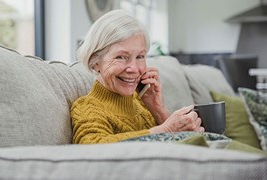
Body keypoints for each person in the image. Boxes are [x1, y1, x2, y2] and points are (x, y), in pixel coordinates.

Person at [71, 9, 204, 144]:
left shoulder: (142, 101)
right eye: (121, 57)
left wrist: (159, 110)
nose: (134, 69)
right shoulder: (87, 107)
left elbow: (177, 149)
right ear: (95, 63)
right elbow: (91, 147)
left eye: (140, 56)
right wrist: (167, 129)